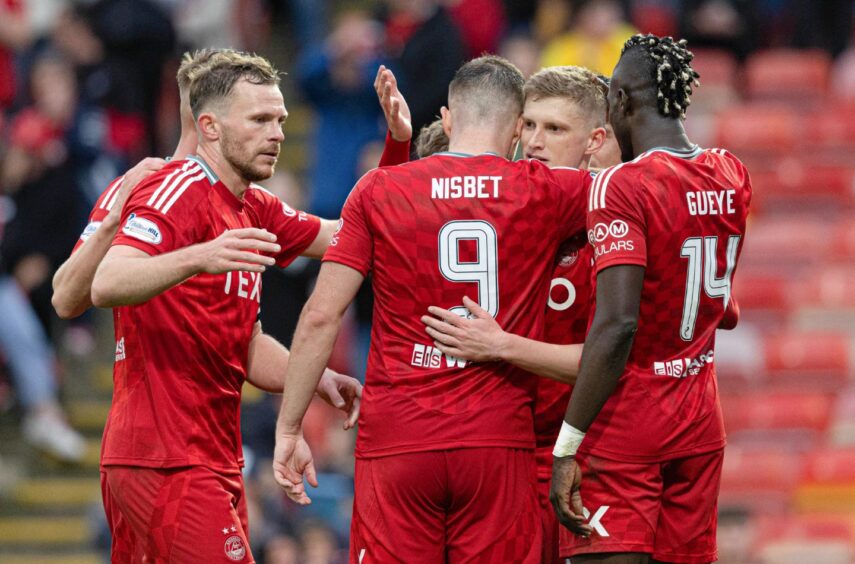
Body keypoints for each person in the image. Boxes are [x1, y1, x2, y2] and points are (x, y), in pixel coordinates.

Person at [272, 55, 593, 563]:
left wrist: (289, 428)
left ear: (446, 120)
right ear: (516, 130)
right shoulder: (549, 190)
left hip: (398, 438)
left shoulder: (379, 189)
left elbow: (320, 316)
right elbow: (634, 192)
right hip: (496, 439)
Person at [87, 50, 362, 562]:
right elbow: (106, 282)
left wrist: (313, 377)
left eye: (280, 120)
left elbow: (343, 240)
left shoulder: (253, 206)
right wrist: (201, 255)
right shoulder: (178, 189)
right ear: (209, 127)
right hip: (165, 459)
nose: (277, 133)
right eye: (259, 120)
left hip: (209, 457)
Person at [549, 34, 752, 564]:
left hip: (629, 423)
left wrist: (567, 445)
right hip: (701, 420)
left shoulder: (621, 185)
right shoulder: (731, 172)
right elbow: (723, 306)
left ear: (620, 101)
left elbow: (618, 324)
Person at [418, 65, 615, 563]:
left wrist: (502, 345)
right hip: (496, 452)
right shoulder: (496, 210)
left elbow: (611, 359)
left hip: (580, 459)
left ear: (593, 141)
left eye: (554, 129)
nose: (534, 141)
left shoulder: (611, 232)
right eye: (528, 125)